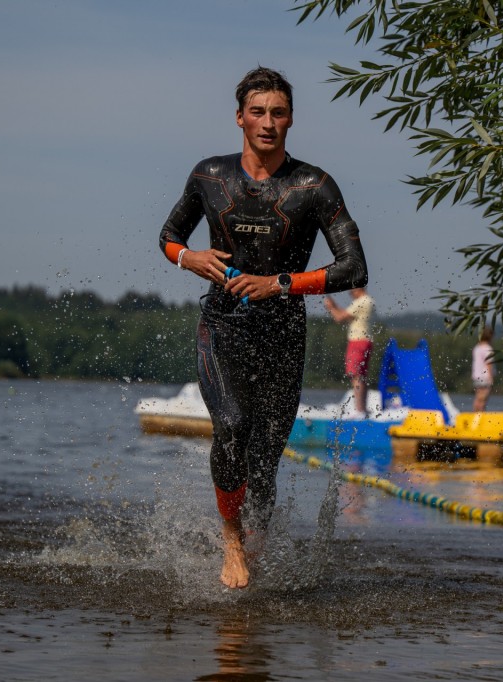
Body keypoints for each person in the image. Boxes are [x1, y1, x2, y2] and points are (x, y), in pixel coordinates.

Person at [158, 67, 368, 589]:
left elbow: (354, 268)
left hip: (283, 330)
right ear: (240, 118)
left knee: (265, 459)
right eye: (258, 112)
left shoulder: (314, 185)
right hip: (222, 323)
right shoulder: (210, 176)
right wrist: (189, 257)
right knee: (231, 426)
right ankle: (232, 543)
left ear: (291, 119)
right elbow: (168, 236)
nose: (268, 122)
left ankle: (257, 548)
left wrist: (281, 283)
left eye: (278, 113)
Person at [324, 287, 375, 415]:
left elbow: (339, 318)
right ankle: (362, 409)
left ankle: (359, 410)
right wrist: (335, 306)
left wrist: (330, 307)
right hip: (366, 342)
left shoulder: (361, 302)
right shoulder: (368, 301)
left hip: (357, 342)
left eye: (351, 292)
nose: (350, 295)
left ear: (358, 289)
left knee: (356, 375)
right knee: (361, 376)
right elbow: (346, 315)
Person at [471, 326, 495, 411]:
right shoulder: (487, 348)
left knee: (478, 397)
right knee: (483, 398)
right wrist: (491, 377)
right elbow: (489, 363)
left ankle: (475, 413)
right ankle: (481, 414)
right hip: (485, 376)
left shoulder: (477, 347)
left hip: (476, 376)